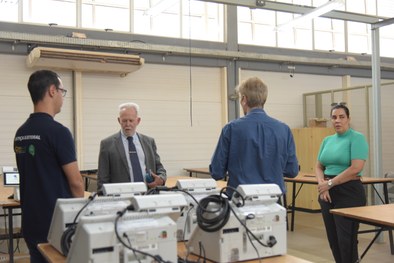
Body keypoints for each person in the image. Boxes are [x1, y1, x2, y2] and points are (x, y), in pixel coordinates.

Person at [14, 70, 84, 263]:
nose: (63, 97)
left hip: (31, 222)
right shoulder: (58, 133)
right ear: (52, 91)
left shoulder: (21, 133)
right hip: (57, 225)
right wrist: (80, 219)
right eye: (63, 91)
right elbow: (76, 183)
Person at [209, 76, 299, 198]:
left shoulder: (231, 129)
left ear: (244, 99)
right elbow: (292, 171)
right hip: (274, 201)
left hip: (241, 201)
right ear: (264, 99)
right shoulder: (284, 129)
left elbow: (217, 172)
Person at [316, 103, 368, 263]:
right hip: (327, 193)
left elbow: (356, 168)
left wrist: (329, 183)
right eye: (334, 117)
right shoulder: (327, 140)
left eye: (341, 117)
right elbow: (318, 166)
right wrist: (322, 185)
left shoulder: (357, 138)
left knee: (347, 241)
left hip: (349, 192)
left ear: (348, 119)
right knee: (334, 240)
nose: (337, 120)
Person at [97, 102, 166, 193]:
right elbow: (102, 180)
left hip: (148, 195)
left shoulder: (149, 142)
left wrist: (161, 178)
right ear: (119, 120)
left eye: (131, 120)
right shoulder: (107, 144)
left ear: (138, 121)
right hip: (121, 198)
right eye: (124, 120)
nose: (127, 124)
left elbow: (159, 168)